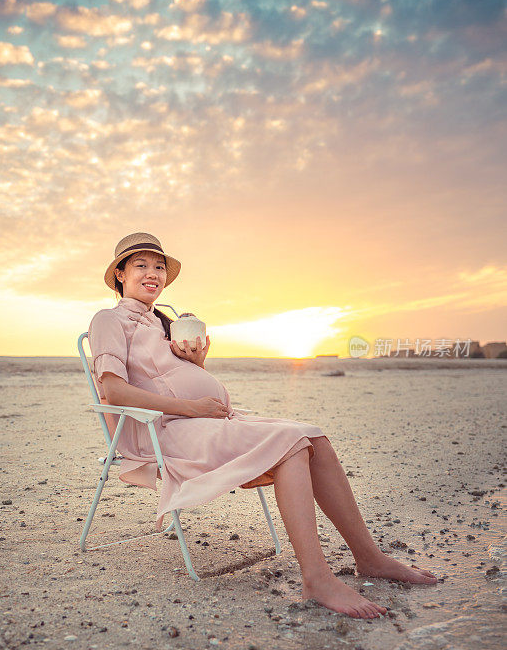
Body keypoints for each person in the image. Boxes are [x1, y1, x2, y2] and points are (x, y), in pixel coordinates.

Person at [89, 232, 437, 620]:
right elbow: (114, 391)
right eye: (141, 265)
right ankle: (316, 577)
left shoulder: (164, 324)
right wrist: (191, 407)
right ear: (119, 273)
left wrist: (197, 365)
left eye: (159, 267)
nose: (153, 274)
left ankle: (369, 557)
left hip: (204, 420)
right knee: (291, 443)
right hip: (164, 432)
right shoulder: (108, 320)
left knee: (314, 437)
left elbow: (172, 377)